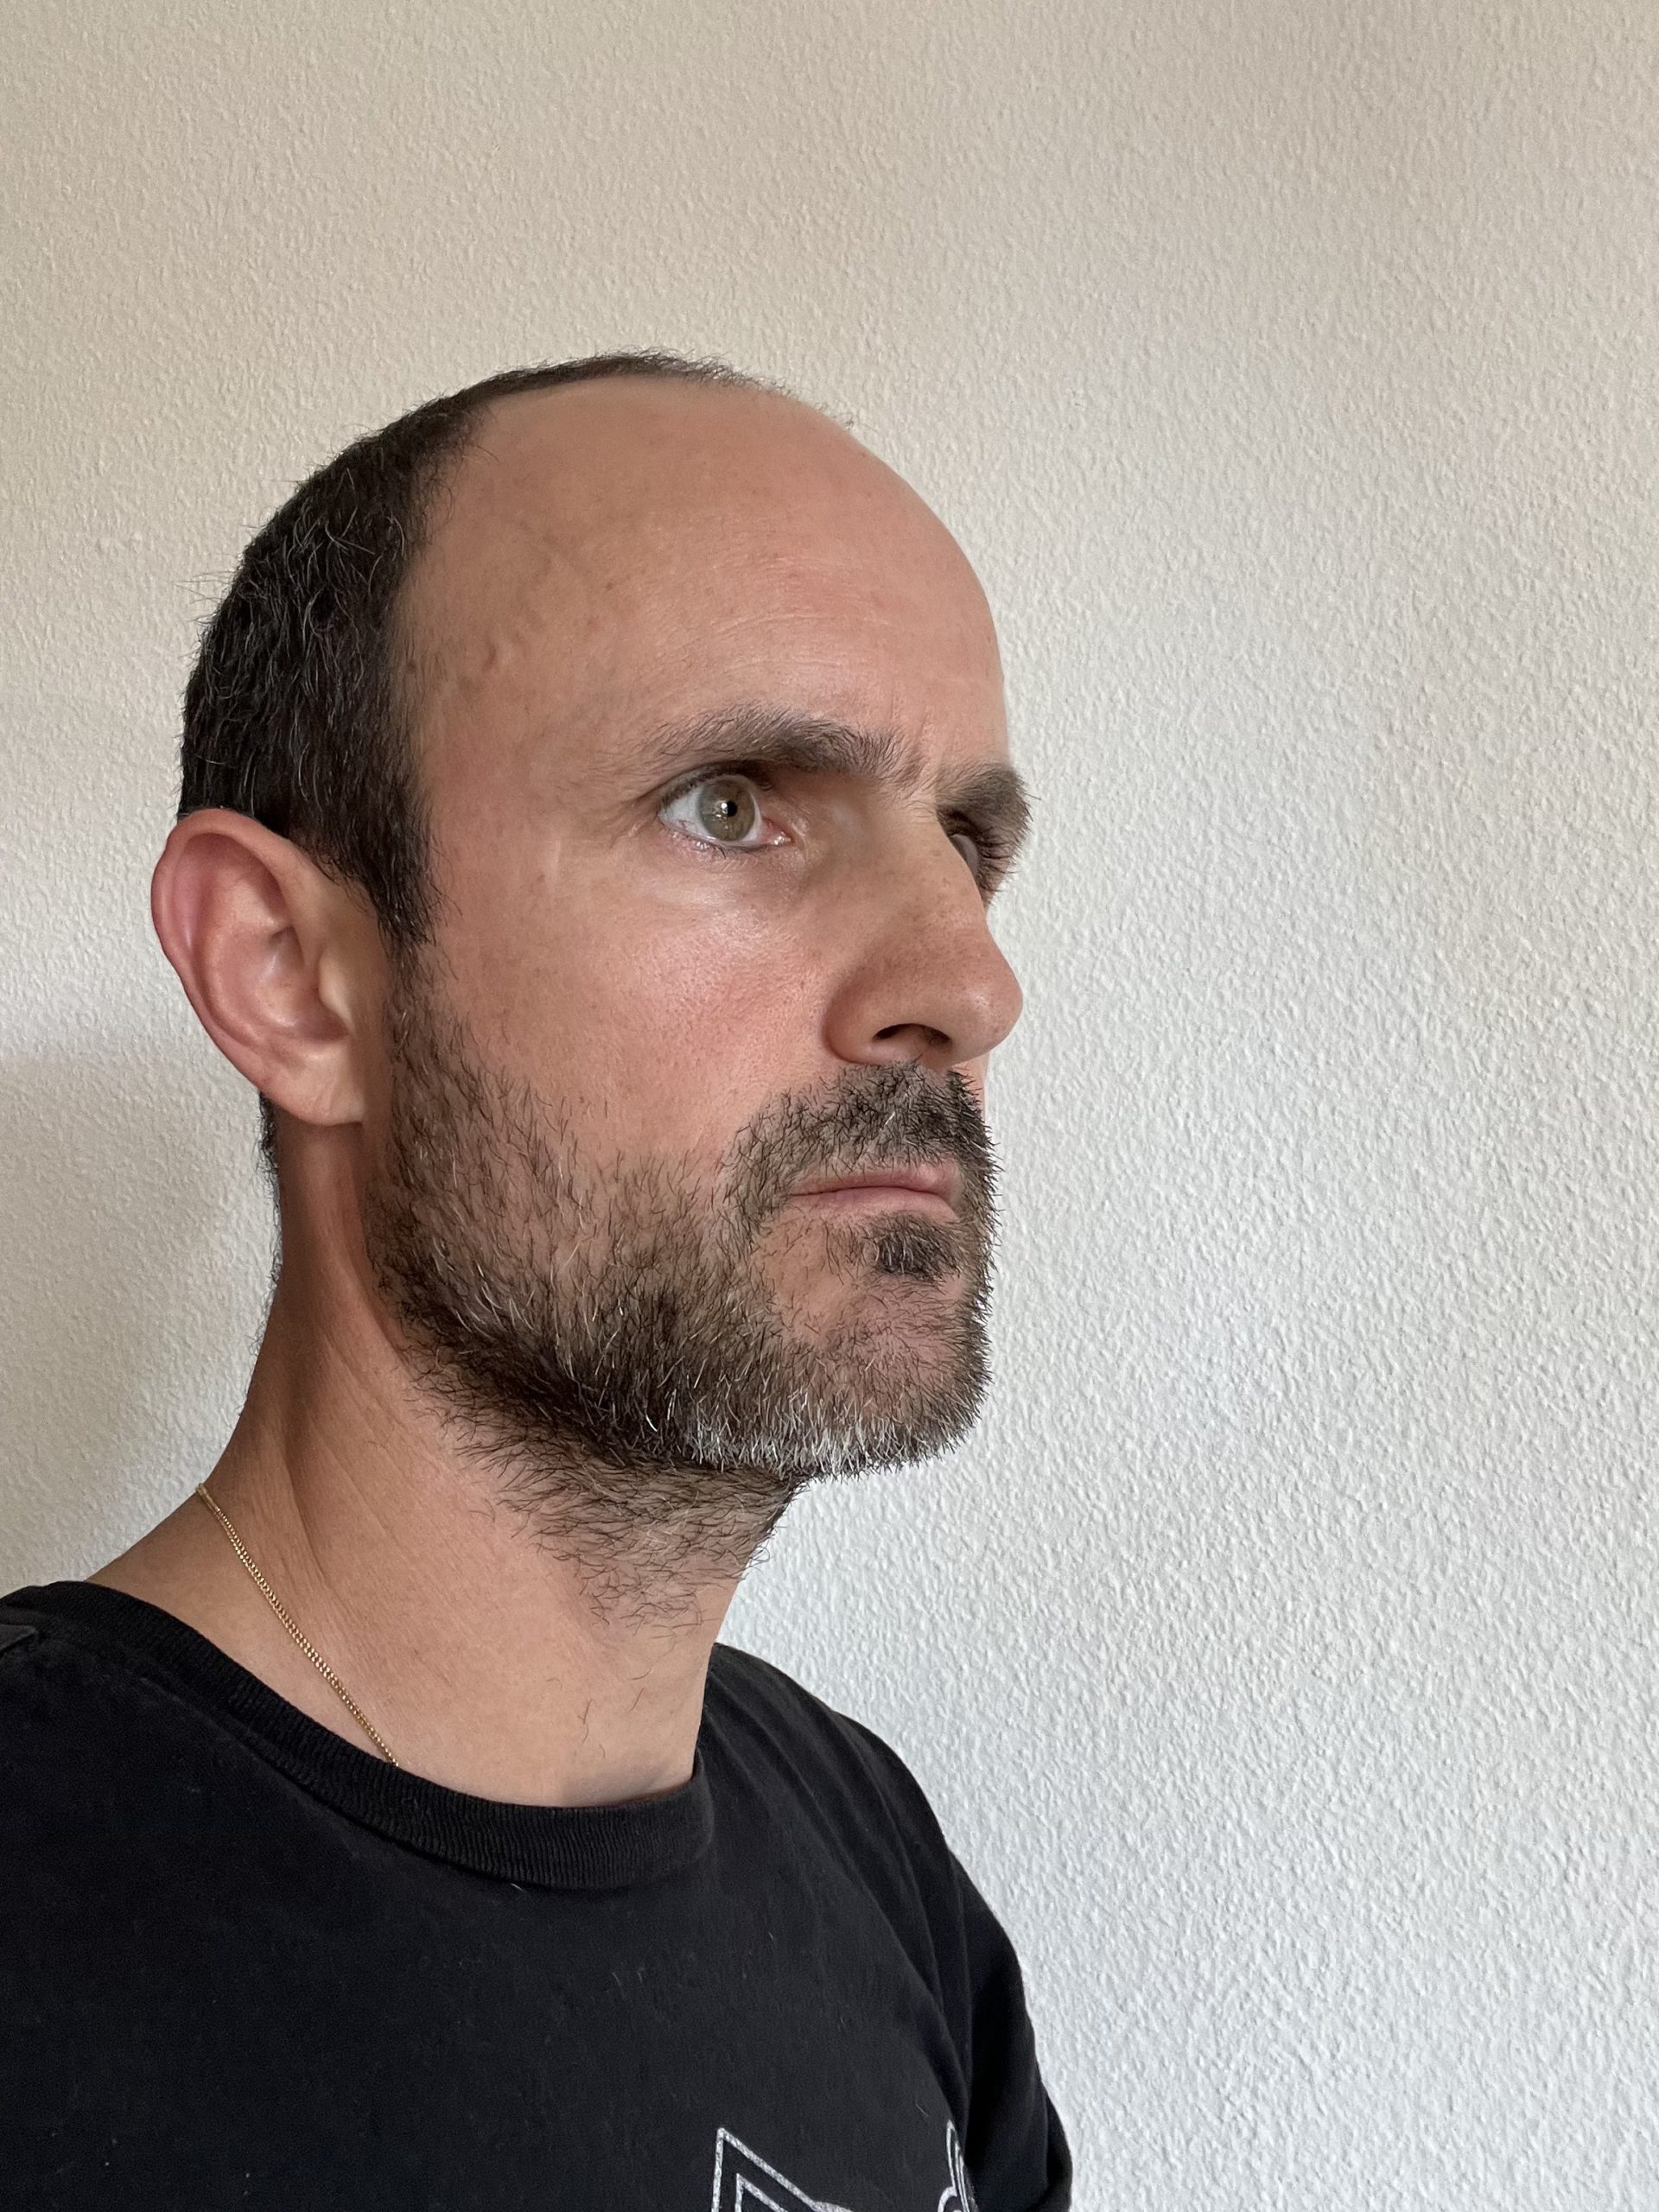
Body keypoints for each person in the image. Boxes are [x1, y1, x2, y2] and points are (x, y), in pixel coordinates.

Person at [0, 352, 1071, 2209]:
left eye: (966, 841)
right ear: (288, 975)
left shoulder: (866, 1855)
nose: (968, 984)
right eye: (729, 804)